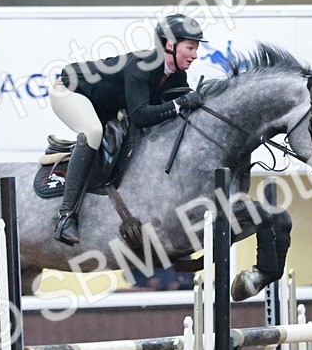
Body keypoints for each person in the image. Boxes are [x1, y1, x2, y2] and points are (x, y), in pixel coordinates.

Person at [50, 13, 207, 245]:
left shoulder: (177, 77)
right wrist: (179, 104)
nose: (195, 55)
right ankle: (65, 217)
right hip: (71, 91)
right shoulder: (141, 65)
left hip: (104, 104)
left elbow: (179, 112)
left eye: (196, 49)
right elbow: (141, 115)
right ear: (170, 45)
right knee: (93, 132)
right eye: (191, 48)